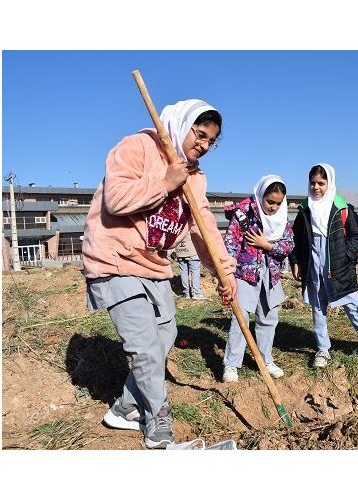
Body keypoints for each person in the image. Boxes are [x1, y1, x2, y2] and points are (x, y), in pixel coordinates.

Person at [83, 99, 237, 449]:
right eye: (199, 135)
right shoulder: (136, 147)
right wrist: (165, 181)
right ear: (182, 126)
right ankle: (158, 418)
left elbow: (203, 229)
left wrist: (223, 273)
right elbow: (117, 199)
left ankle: (125, 406)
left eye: (210, 141)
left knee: (165, 336)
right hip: (115, 258)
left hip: (154, 264)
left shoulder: (195, 178)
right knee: (146, 349)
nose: (203, 145)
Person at [290, 163, 358, 368]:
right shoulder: (305, 209)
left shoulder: (341, 207)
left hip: (338, 262)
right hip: (313, 262)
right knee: (317, 305)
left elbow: (354, 236)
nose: (316, 188)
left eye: (321, 183)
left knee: (352, 302)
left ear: (330, 183)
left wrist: (348, 257)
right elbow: (296, 238)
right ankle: (322, 349)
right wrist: (296, 261)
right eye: (313, 183)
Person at [221, 175, 295, 383]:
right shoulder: (243, 214)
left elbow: (289, 245)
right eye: (270, 201)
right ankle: (232, 364)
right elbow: (231, 244)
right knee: (241, 317)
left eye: (278, 203)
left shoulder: (282, 220)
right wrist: (228, 274)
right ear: (261, 195)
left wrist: (267, 245)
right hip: (246, 272)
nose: (273, 207)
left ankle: (265, 359)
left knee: (269, 317)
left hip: (270, 273)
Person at [172, 232, 205, 299]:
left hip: (180, 252)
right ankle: (196, 293)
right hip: (192, 251)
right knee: (195, 272)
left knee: (183, 272)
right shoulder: (190, 224)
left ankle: (186, 293)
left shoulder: (177, 226)